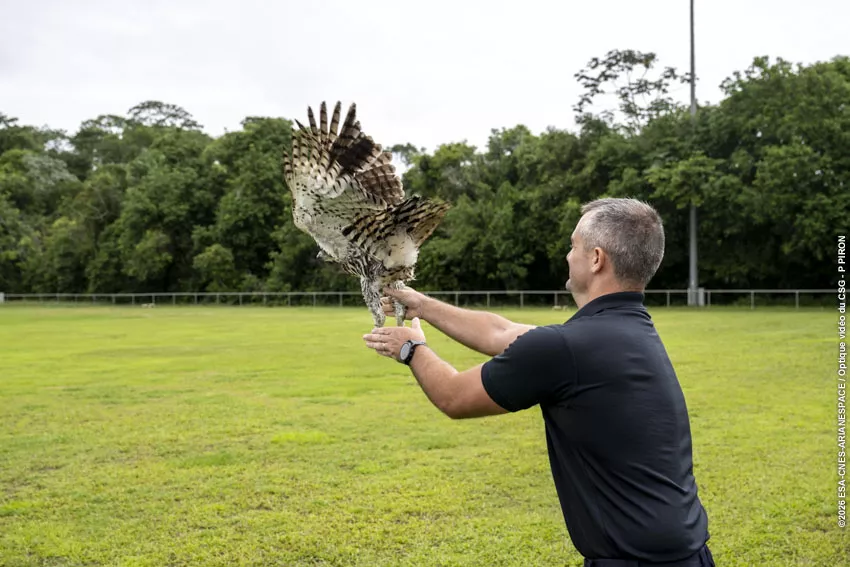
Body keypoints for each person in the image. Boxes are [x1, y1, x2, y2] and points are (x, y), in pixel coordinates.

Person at [362, 198, 714, 567]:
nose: (566, 255)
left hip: (636, 561)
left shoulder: (566, 347)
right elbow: (503, 332)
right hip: (686, 552)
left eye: (573, 245)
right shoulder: (629, 329)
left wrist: (411, 349)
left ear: (596, 259)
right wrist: (422, 305)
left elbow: (454, 396)